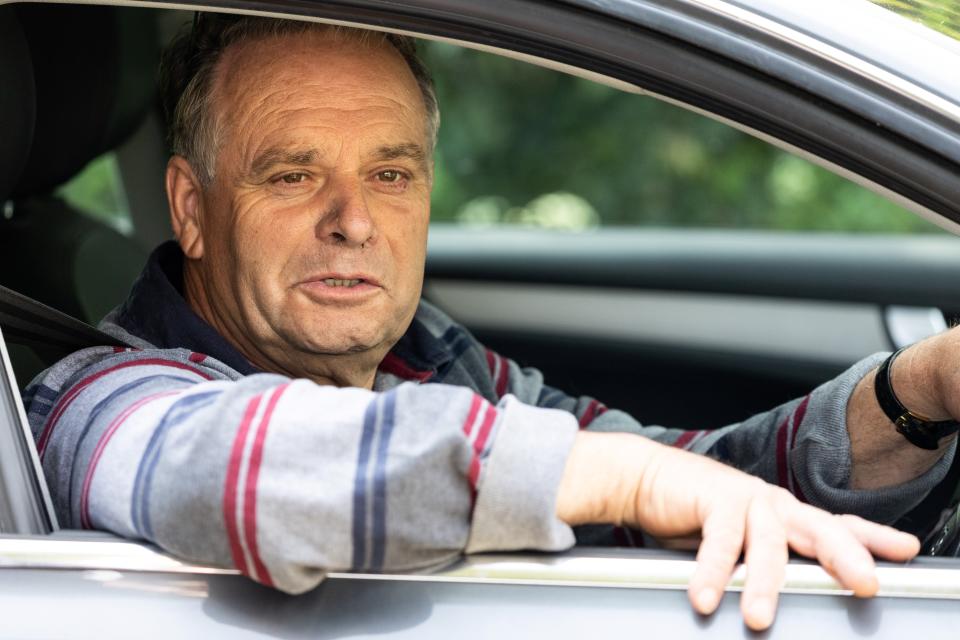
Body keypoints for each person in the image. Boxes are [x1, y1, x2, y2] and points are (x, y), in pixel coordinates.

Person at [23, 15, 955, 631]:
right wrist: (617, 478)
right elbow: (240, 472)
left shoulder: (425, 358)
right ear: (190, 208)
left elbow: (702, 489)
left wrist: (918, 393)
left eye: (390, 175)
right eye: (293, 174)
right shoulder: (103, 397)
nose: (354, 220)